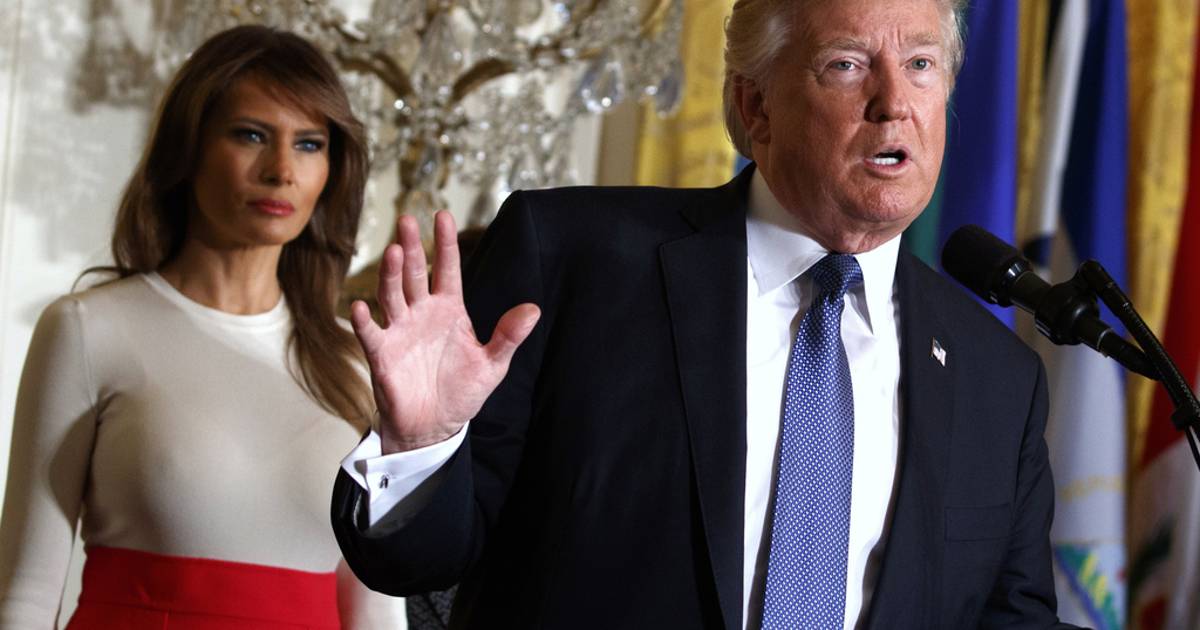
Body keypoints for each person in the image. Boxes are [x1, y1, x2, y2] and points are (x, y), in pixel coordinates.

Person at [333, 0, 1077, 628]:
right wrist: (422, 446)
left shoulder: (998, 378)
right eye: (847, 64)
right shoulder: (570, 260)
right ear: (756, 106)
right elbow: (417, 564)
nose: (895, 103)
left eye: (921, 64)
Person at [0, 25, 403, 628]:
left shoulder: (355, 360)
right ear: (187, 149)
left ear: (332, 170)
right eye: (251, 135)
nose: (282, 170)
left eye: (309, 144)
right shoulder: (89, 329)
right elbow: (26, 595)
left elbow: (376, 608)